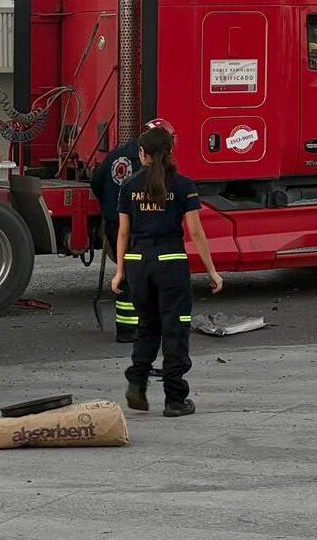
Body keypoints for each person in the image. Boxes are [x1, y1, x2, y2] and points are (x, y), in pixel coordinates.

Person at [112, 126, 223, 418]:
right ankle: (175, 399)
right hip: (171, 261)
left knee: (147, 325)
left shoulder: (128, 187)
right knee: (175, 327)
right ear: (170, 152)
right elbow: (196, 232)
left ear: (142, 154)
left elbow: (123, 233)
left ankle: (137, 381)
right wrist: (212, 271)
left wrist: (120, 271)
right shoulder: (185, 186)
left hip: (138, 262)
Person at [91, 118, 178, 343]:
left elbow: (97, 182)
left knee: (128, 273)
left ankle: (128, 325)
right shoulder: (149, 164)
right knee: (135, 276)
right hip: (135, 227)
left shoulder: (117, 154)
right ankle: (129, 329)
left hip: (113, 222)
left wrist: (109, 206)